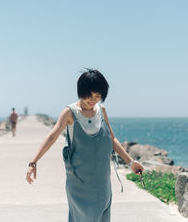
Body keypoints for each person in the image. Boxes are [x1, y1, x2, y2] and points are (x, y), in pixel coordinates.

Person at [26, 69, 144, 222]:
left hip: (102, 182)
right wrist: (33, 162)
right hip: (79, 184)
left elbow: (112, 139)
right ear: (81, 91)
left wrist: (131, 162)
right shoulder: (70, 112)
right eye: (90, 94)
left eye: (98, 95)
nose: (93, 99)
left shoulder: (102, 111)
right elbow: (52, 136)